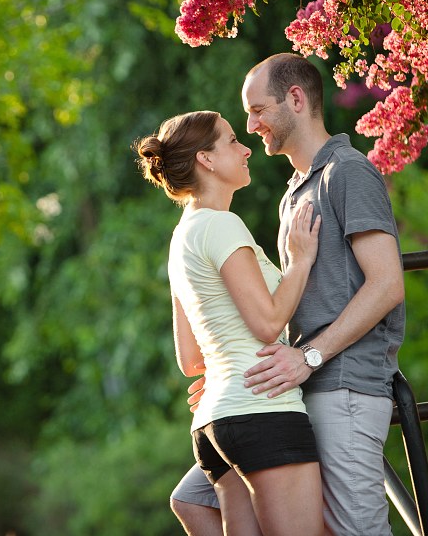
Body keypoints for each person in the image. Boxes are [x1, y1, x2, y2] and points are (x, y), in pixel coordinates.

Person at [170, 53, 406, 536]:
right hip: (286, 390)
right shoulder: (293, 192)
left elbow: (387, 284)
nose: (251, 126)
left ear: (295, 99)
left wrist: (311, 356)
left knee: (356, 532)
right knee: (194, 498)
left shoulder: (348, 173)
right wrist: (223, 370)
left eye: (257, 111)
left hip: (343, 385)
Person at [135, 110, 327, 536]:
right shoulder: (222, 225)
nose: (246, 150)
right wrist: (299, 261)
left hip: (213, 426)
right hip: (263, 409)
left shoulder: (183, 235)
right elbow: (267, 322)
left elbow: (189, 359)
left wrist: (226, 372)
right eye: (232, 141)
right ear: (206, 159)